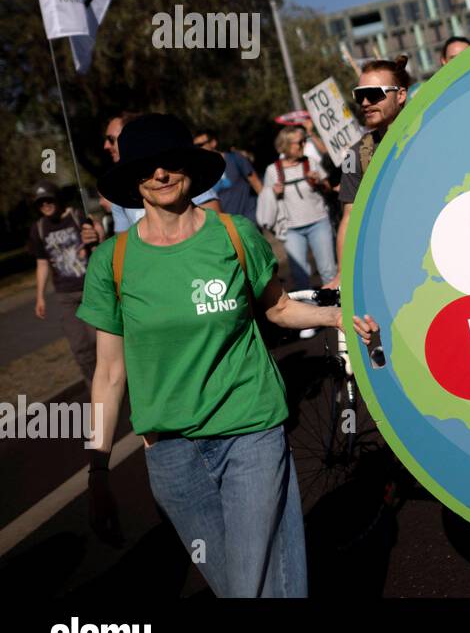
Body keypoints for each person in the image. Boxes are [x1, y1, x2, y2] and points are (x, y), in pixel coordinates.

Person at [77, 113, 379, 596]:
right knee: (246, 588)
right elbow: (109, 374)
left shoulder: (234, 235)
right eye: (147, 166)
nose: (160, 174)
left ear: (190, 168)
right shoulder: (111, 262)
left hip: (250, 433)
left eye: (170, 162)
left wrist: (334, 317)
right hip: (172, 456)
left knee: (247, 589)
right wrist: (98, 470)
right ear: (133, 178)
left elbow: (279, 308)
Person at [328, 55, 413, 288]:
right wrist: (342, 274)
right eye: (359, 95)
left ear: (401, 95)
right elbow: (350, 216)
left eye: (374, 94)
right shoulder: (355, 155)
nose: (365, 102)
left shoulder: (429, 132)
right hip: (394, 266)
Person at [28, 182, 104, 390]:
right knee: (80, 347)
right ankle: (96, 389)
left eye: (49, 200)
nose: (45, 205)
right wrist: (40, 296)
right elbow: (42, 263)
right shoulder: (39, 229)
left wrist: (97, 234)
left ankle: (115, 383)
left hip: (91, 291)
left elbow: (98, 244)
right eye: (41, 203)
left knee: (99, 342)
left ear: (57, 199)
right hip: (66, 296)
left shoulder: (78, 217)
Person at [258, 125, 338, 307]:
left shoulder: (310, 162)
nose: (303, 145)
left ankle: (335, 307)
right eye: (298, 142)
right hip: (292, 228)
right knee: (300, 273)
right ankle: (310, 313)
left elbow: (328, 189)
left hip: (318, 221)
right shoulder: (273, 170)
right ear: (285, 145)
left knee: (328, 270)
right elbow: (267, 197)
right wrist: (274, 192)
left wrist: (319, 181)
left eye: (304, 141)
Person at [102, 112, 219, 232]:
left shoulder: (234, 232)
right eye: (144, 168)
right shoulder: (115, 249)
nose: (161, 175)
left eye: (172, 162)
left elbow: (215, 231)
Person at [194, 129, 262, 225]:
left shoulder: (235, 158)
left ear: (213, 143)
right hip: (228, 225)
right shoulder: (200, 172)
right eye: (195, 146)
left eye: (201, 145)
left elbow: (256, 182)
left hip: (250, 217)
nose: (198, 149)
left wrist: (266, 207)